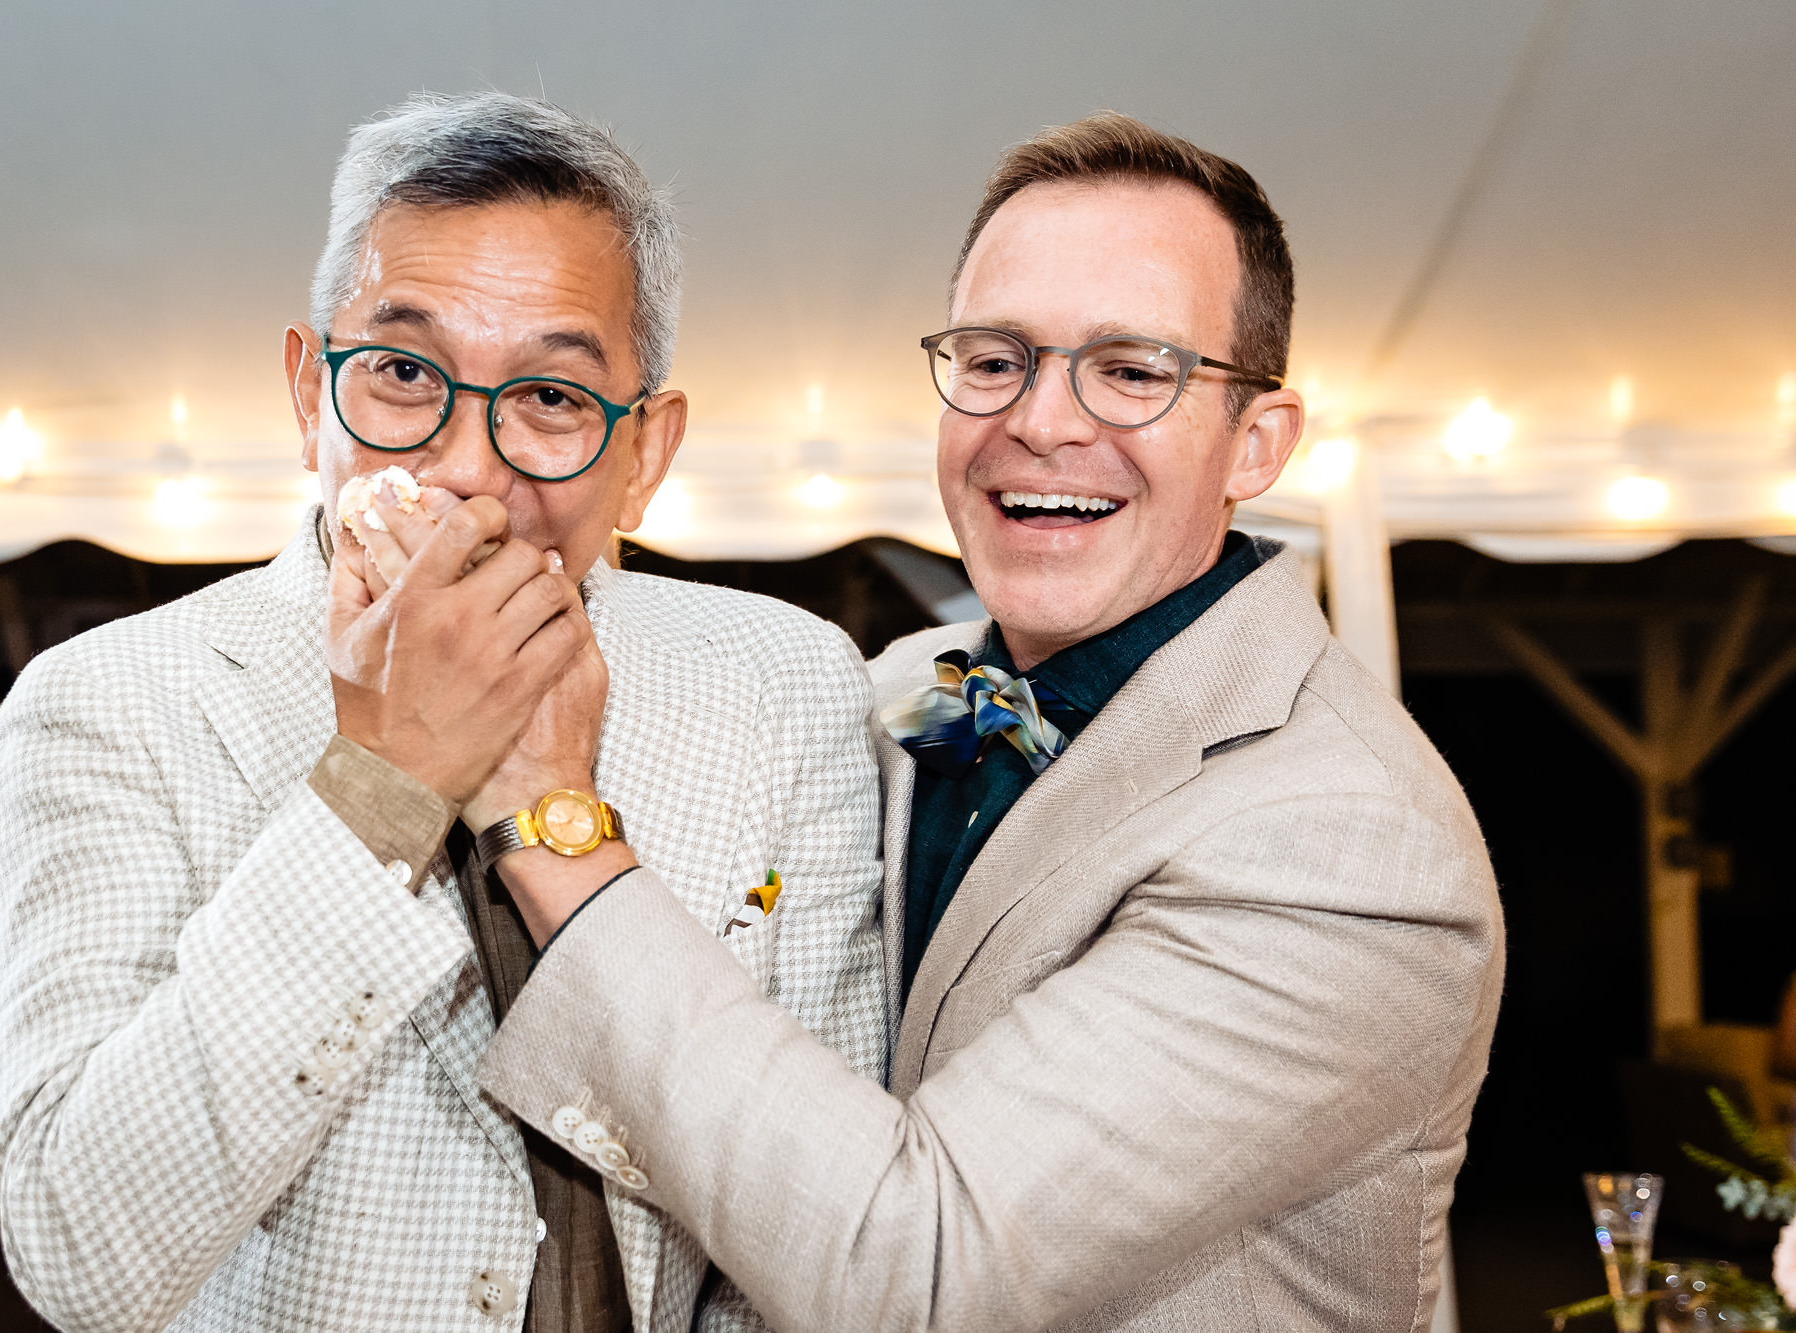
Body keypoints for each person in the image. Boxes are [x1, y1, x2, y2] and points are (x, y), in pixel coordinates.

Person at [467, 114, 1507, 1331]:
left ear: (1254, 443)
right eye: (994, 357)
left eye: (1131, 369)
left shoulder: (1346, 843)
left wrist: (551, 821)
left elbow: (924, 1268)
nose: (1042, 421)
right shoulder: (918, 685)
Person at [0, 92, 886, 1332]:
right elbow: (79, 1256)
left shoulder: (785, 682)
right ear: (310, 394)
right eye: (402, 373)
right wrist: (384, 784)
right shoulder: (108, 702)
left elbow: (818, 1233)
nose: (466, 467)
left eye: (552, 399)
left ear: (647, 452)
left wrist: (551, 816)